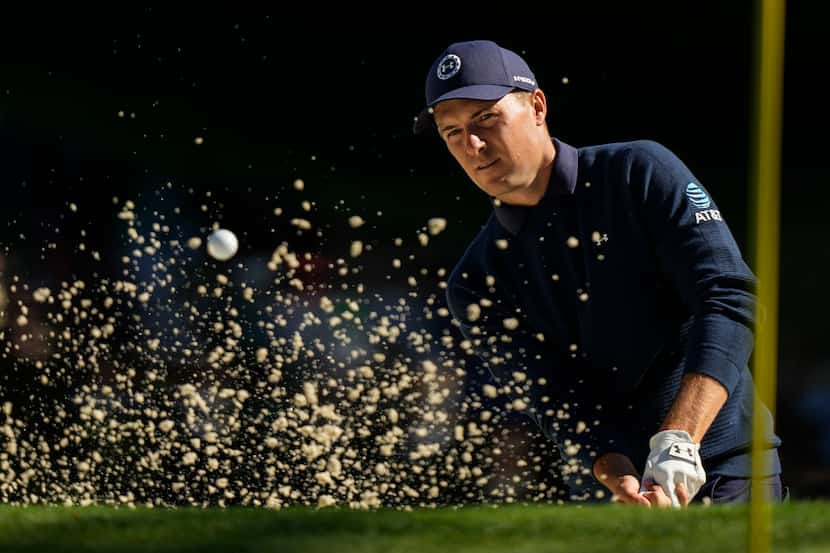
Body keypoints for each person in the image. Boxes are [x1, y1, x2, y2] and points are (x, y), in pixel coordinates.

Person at [413, 39, 783, 507]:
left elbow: (730, 298)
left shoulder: (637, 172)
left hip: (726, 468)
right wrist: (618, 478)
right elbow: (557, 399)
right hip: (611, 495)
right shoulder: (475, 281)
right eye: (452, 132)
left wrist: (679, 441)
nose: (473, 145)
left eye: (486, 118)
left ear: (537, 106)